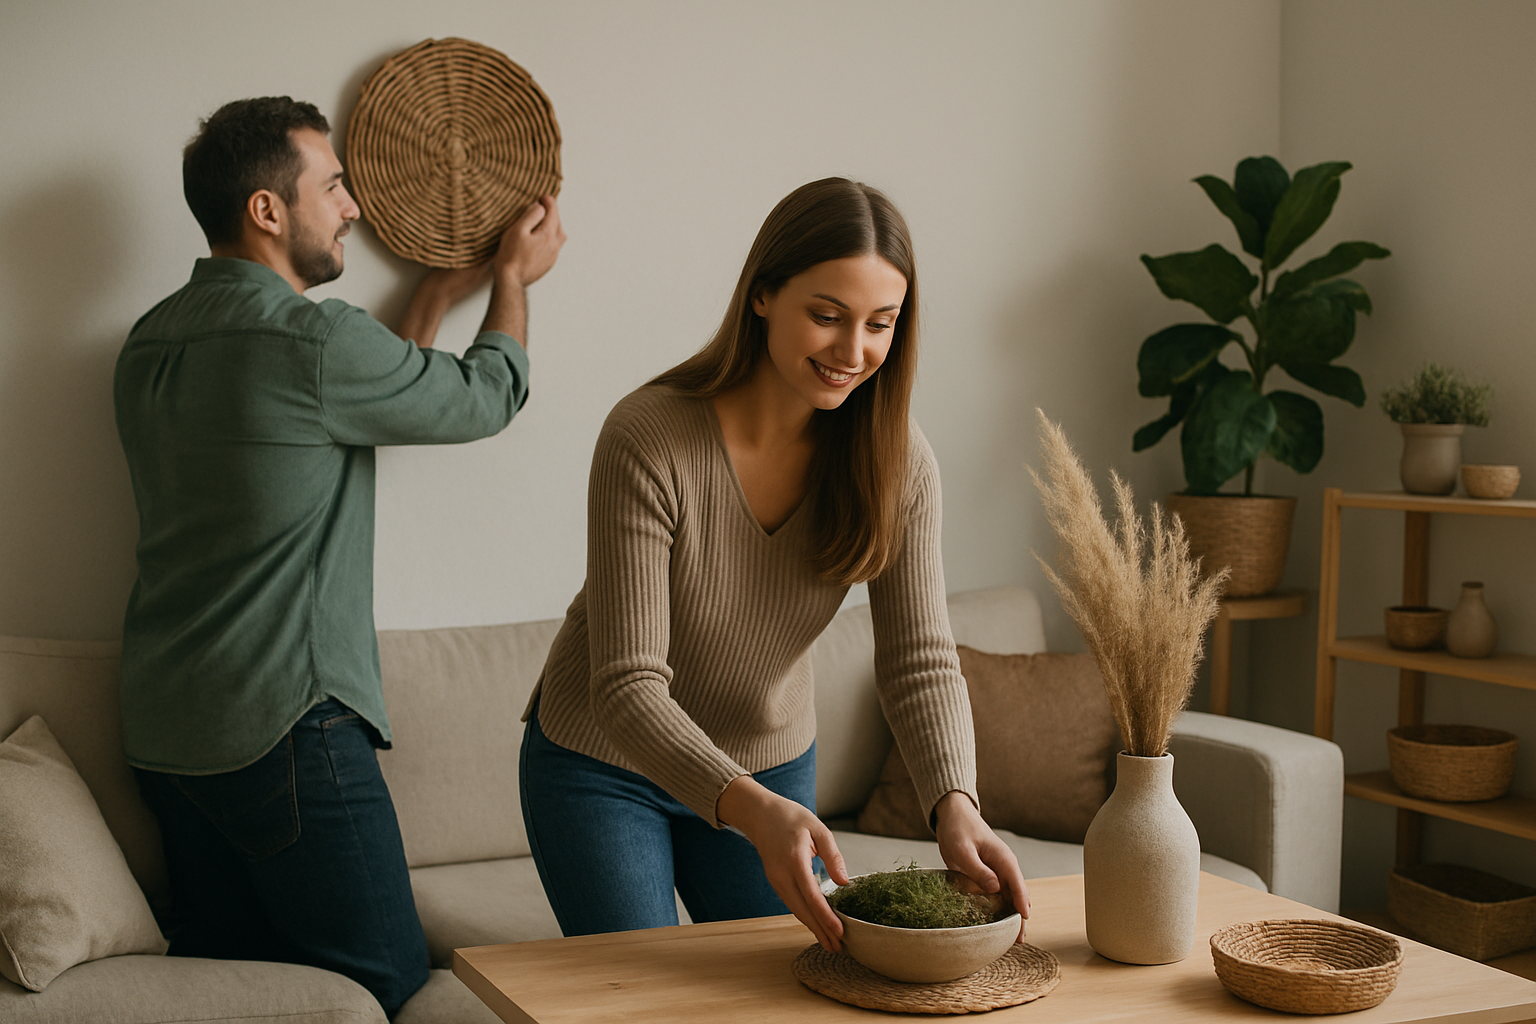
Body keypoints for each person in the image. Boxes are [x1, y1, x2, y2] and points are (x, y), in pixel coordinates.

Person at [113, 96, 564, 1016]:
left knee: (245, 993)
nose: (352, 206)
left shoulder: (146, 343)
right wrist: (516, 279)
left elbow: (333, 415)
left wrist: (433, 296)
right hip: (285, 726)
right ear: (267, 210)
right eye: (333, 186)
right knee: (390, 989)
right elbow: (484, 397)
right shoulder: (314, 341)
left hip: (164, 733)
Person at [519, 177, 1028, 951]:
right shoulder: (649, 439)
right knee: (640, 993)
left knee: (791, 986)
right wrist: (752, 810)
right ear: (762, 295)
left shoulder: (899, 462)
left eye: (880, 324)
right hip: (604, 762)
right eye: (826, 316)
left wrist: (956, 804)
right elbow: (627, 684)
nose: (852, 352)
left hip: (770, 760)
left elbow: (920, 659)